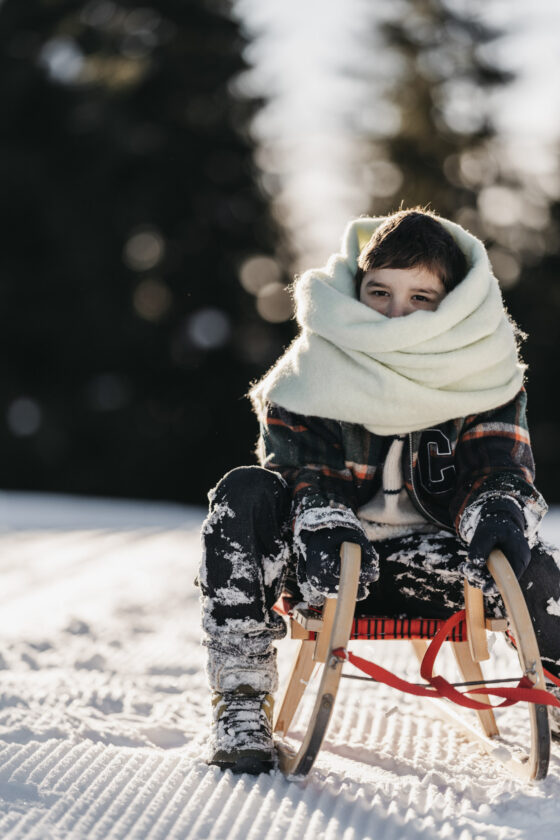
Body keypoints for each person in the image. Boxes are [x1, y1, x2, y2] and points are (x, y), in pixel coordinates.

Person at [198, 208, 560, 774]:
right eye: (379, 293)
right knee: (244, 491)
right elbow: (300, 472)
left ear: (454, 301)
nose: (395, 314)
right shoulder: (314, 368)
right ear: (355, 289)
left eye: (421, 297)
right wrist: (320, 517)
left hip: (439, 566)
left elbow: (497, 462)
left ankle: (555, 695)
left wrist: (497, 509)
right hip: (326, 561)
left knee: (538, 566)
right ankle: (241, 698)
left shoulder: (482, 367)